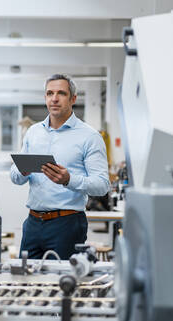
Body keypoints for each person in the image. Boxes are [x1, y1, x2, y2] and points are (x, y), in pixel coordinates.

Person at [10, 74, 110, 260]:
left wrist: (69, 180)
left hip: (67, 224)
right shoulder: (33, 132)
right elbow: (15, 177)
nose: (54, 98)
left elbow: (102, 184)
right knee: (27, 282)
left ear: (73, 98)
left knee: (63, 283)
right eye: (50, 93)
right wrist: (22, 170)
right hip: (32, 223)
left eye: (61, 93)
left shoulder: (89, 136)